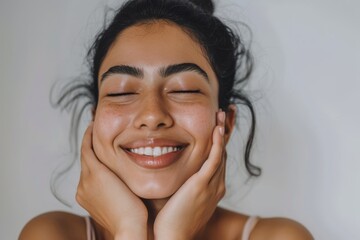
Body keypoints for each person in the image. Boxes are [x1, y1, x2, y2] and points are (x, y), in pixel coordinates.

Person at [19, 0, 313, 239]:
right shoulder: (49, 234)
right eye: (122, 93)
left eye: (183, 89)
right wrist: (128, 229)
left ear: (227, 122)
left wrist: (174, 235)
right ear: (95, 120)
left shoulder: (281, 237)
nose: (152, 115)